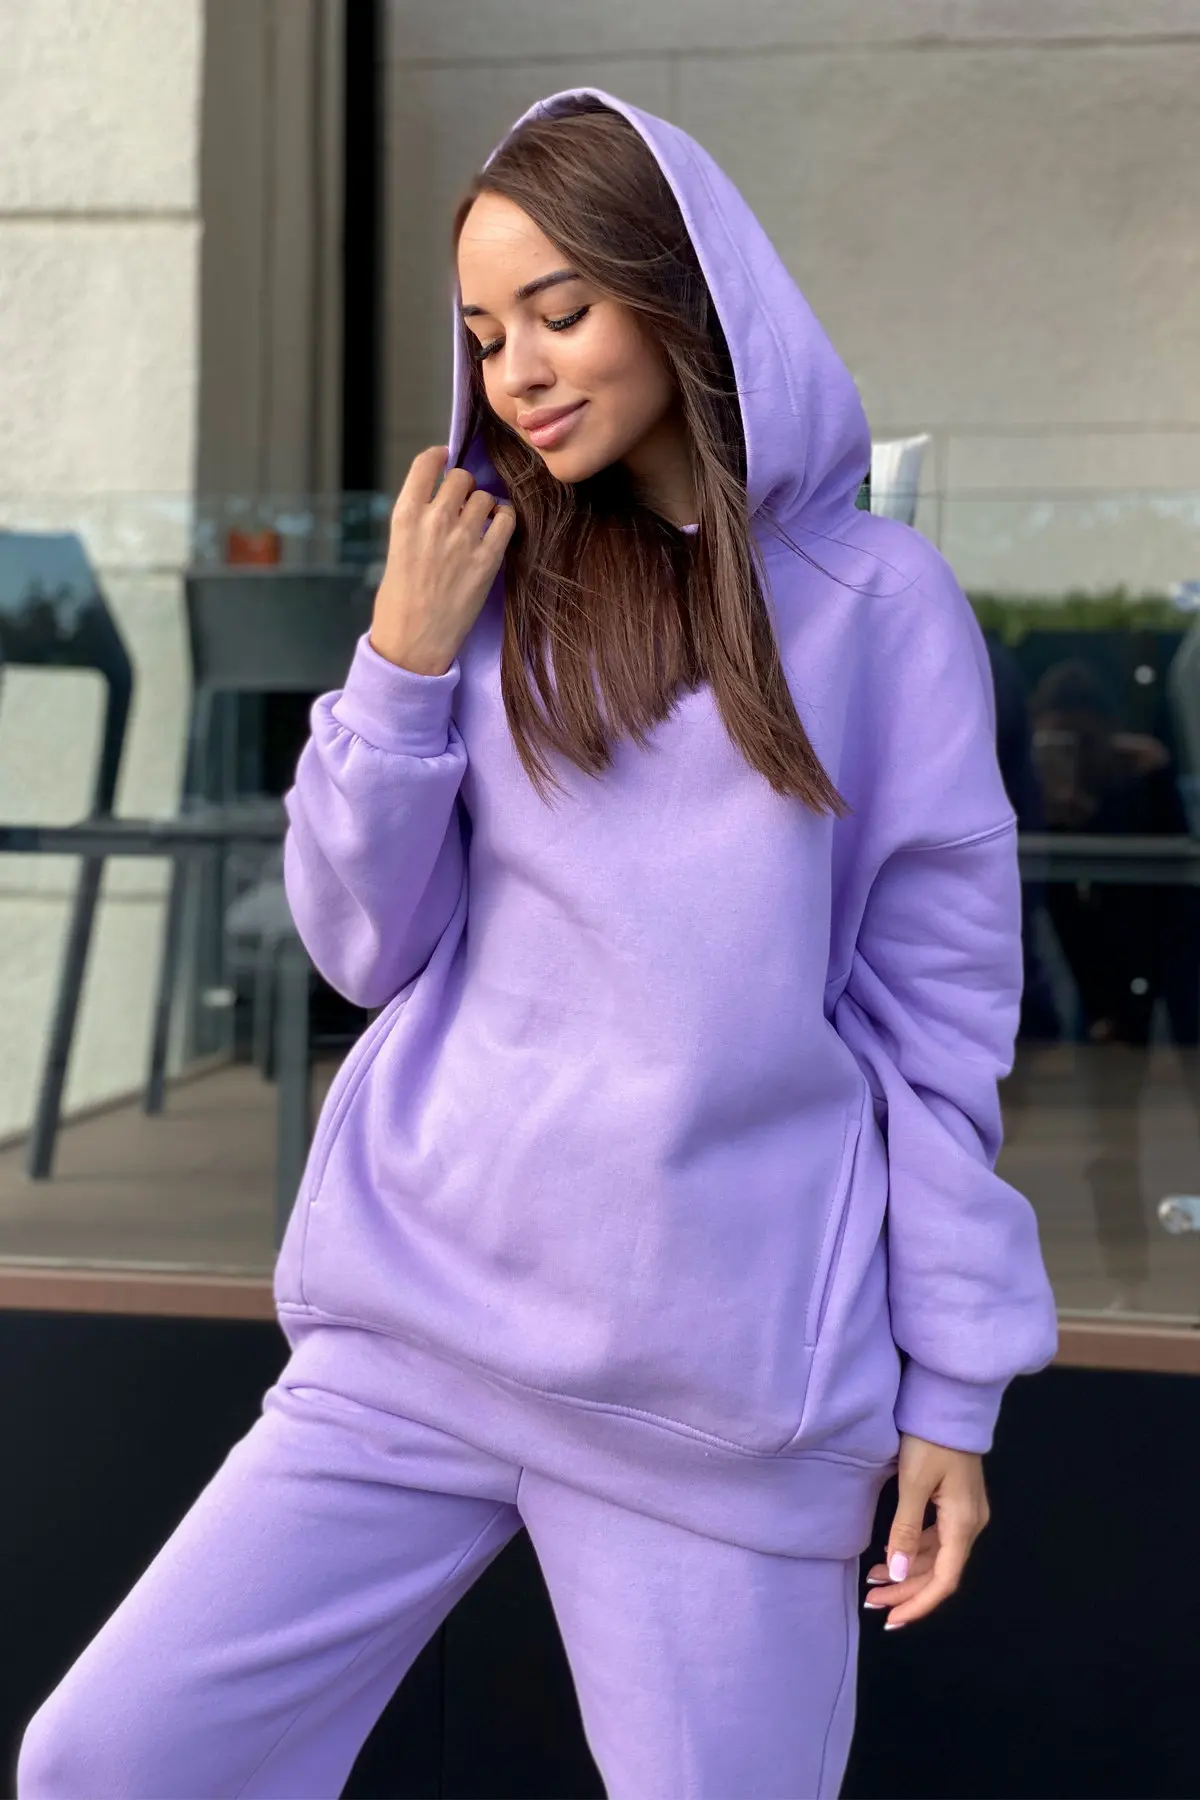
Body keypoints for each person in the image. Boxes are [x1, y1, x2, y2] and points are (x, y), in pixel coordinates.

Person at [17, 89, 1058, 1800]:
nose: (516, 371)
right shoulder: (489, 585)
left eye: (560, 312)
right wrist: (400, 663)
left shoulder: (881, 610)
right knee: (110, 1760)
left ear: (679, 291)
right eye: (486, 334)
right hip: (417, 1334)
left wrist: (955, 1388)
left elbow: (935, 1030)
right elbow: (360, 947)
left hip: (715, 1397)